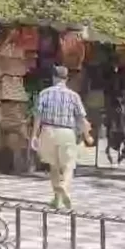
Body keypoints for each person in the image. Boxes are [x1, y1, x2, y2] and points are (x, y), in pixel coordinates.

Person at [29, 65, 92, 209]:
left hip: (48, 131)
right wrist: (87, 136)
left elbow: (37, 116)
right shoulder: (74, 96)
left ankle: (57, 199)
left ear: (53, 77)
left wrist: (34, 135)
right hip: (66, 132)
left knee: (54, 166)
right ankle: (64, 186)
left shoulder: (44, 93)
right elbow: (81, 119)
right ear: (66, 78)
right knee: (69, 165)